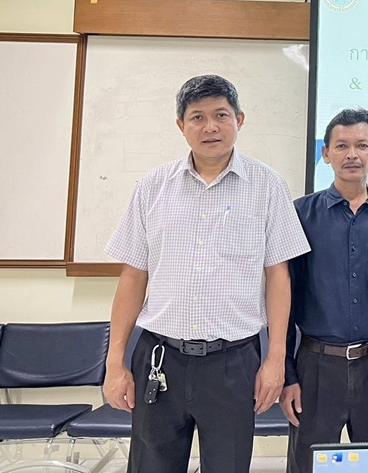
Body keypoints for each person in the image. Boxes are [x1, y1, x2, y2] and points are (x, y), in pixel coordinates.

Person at [103, 75, 310, 473]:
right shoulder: (153, 186)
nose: (210, 126)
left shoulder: (268, 186)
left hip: (233, 363)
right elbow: (132, 277)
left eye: (221, 115)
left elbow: (278, 277)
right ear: (181, 125)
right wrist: (116, 363)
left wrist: (276, 360)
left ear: (239, 120)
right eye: (197, 117)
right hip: (160, 358)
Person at [281, 109, 368, 472]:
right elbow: (283, 303)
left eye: (362, 145)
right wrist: (288, 376)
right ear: (326, 153)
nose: (352, 154)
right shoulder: (300, 215)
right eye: (341, 146)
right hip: (316, 369)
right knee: (308, 465)